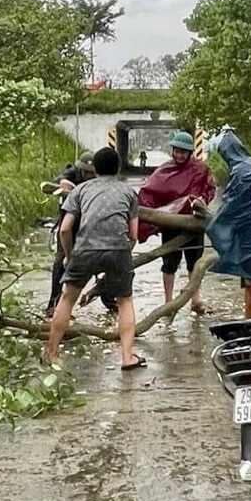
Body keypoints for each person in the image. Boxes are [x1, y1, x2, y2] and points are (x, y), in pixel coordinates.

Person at [45, 147, 146, 369]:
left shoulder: (80, 191)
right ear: (118, 168)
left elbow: (65, 229)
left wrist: (70, 256)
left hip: (85, 250)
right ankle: (128, 357)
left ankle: (51, 353)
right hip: (118, 249)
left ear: (94, 169)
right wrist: (122, 251)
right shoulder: (128, 192)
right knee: (125, 301)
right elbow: (134, 235)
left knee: (67, 300)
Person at [137, 130, 216, 314]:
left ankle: (195, 299)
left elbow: (209, 189)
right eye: (177, 151)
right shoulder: (164, 170)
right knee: (169, 263)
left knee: (194, 261)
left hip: (194, 222)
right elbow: (149, 192)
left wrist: (202, 201)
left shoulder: (200, 169)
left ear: (190, 152)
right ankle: (168, 301)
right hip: (171, 224)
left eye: (183, 152)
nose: (179, 155)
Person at [203, 127, 251, 318]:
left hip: (250, 231)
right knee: (248, 279)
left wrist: (216, 225)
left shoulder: (242, 170)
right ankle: (250, 322)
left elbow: (233, 204)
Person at [41, 151, 96, 317]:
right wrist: (68, 186)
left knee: (100, 259)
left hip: (90, 222)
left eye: (93, 173)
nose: (90, 176)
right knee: (61, 260)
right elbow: (62, 181)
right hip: (69, 221)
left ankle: (109, 300)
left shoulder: (99, 178)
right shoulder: (72, 172)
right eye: (88, 173)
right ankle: (54, 304)